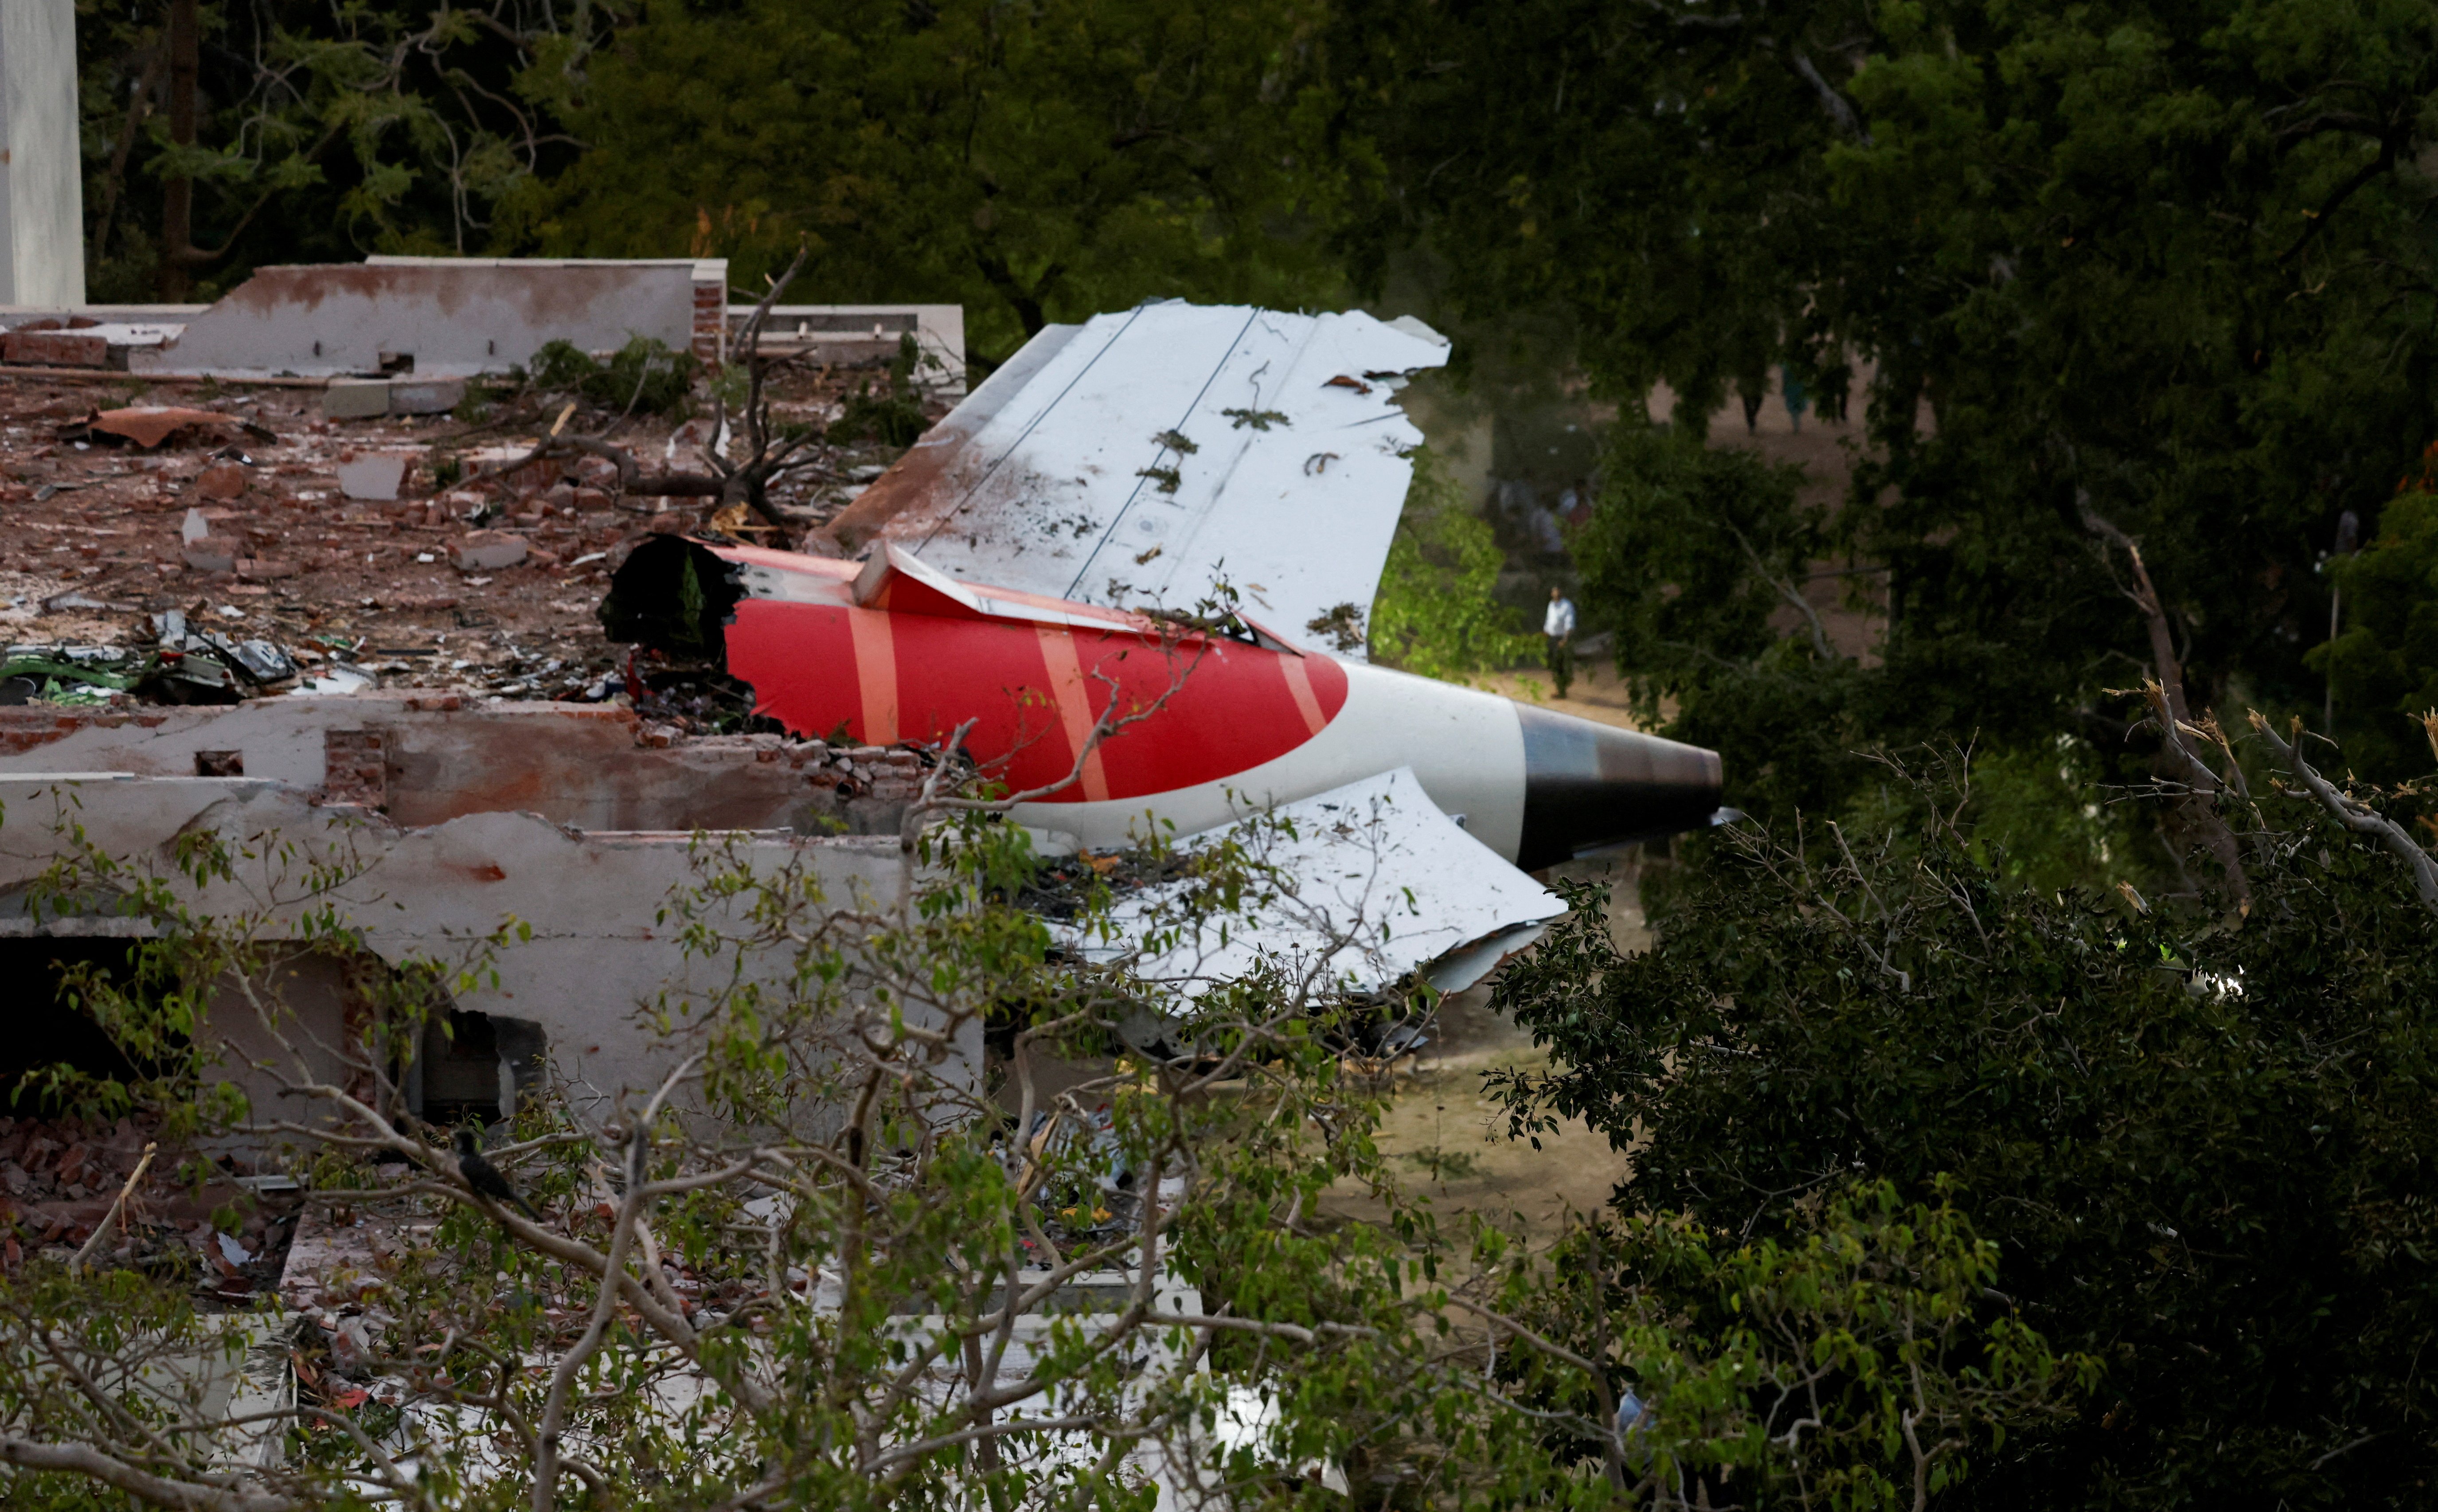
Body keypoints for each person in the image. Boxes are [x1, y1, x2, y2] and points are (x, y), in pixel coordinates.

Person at [1543, 585, 1577, 698]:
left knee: (1560, 664)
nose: (1555, 594)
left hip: (1561, 639)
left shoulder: (1567, 605)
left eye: (1557, 592)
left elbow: (1569, 623)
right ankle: (1559, 688)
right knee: (1552, 663)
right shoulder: (1551, 605)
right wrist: (1545, 633)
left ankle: (1561, 691)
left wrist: (1565, 640)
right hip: (1552, 638)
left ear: (1561, 593)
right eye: (1554, 592)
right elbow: (1549, 620)